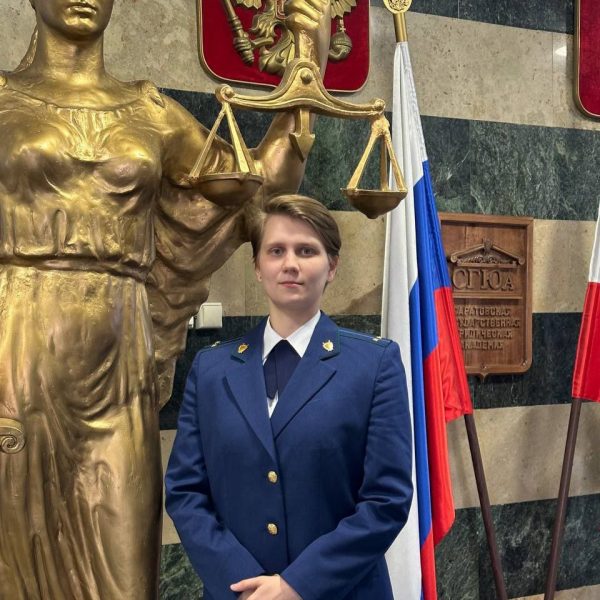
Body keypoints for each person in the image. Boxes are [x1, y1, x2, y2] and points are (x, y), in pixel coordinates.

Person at [0, 1, 330, 597]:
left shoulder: (149, 111)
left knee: (127, 568)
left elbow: (254, 188)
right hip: (16, 354)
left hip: (118, 368)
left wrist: (309, 64)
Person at [165, 195, 413, 600]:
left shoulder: (373, 365)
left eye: (307, 251)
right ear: (257, 267)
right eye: (276, 250)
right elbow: (185, 491)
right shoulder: (212, 370)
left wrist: (298, 585)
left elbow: (386, 500)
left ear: (332, 266)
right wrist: (243, 585)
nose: (290, 263)